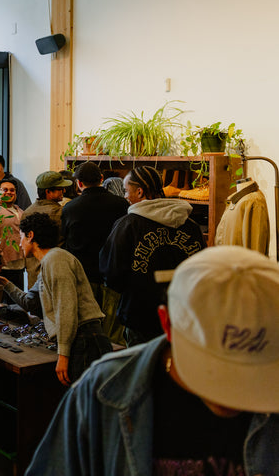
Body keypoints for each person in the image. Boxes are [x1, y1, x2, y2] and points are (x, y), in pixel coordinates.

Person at [27, 246, 279, 475]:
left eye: (255, 370)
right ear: (167, 323)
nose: (233, 392)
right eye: (216, 367)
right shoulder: (103, 394)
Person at [100, 165, 204, 346]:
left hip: (140, 316)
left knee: (144, 370)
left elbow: (111, 271)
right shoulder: (191, 226)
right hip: (183, 314)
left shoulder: (128, 225)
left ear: (139, 192)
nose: (125, 196)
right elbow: (202, 268)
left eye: (126, 191)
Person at [15, 213, 111, 386]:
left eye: (21, 237)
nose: (19, 243)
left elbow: (66, 307)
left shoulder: (56, 259)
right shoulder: (49, 261)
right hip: (81, 339)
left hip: (85, 340)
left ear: (30, 236)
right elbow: (31, 302)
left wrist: (63, 354)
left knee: (85, 408)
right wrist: (5, 284)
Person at [61, 162, 128, 344]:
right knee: (114, 333)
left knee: (87, 329)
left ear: (79, 183)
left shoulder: (70, 208)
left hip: (83, 274)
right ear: (101, 179)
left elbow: (65, 239)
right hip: (113, 274)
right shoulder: (121, 204)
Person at [0, 177, 25, 288]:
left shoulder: (20, 211)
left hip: (20, 264)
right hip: (2, 265)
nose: (9, 192)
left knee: (17, 301)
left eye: (12, 190)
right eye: (5, 190)